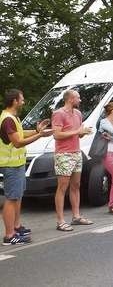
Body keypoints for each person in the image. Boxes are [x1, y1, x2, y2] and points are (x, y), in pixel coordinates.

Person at [1, 89, 51, 245]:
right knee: (11, 199)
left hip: (17, 163)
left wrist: (37, 131)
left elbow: (20, 133)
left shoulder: (12, 117)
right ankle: (9, 236)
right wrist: (39, 136)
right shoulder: (8, 119)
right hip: (10, 165)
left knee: (18, 196)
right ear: (15, 101)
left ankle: (16, 227)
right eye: (21, 99)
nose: (23, 101)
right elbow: (17, 142)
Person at [51, 89, 94, 231]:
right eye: (78, 97)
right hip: (63, 154)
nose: (80, 100)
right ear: (70, 99)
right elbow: (57, 135)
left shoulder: (78, 114)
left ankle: (76, 216)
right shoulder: (58, 114)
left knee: (76, 185)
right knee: (62, 187)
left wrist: (83, 132)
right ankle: (60, 221)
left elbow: (78, 134)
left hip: (76, 152)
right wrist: (77, 132)